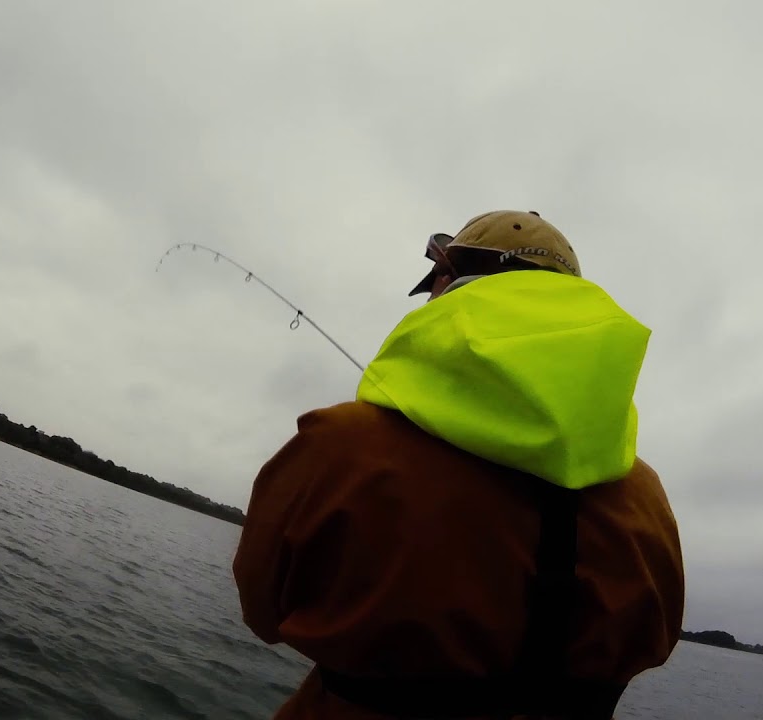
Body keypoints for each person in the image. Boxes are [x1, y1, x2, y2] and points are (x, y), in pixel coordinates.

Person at [232, 210, 685, 720]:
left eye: (433, 283)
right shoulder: (648, 499)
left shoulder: (341, 444)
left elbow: (262, 612)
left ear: (450, 286)